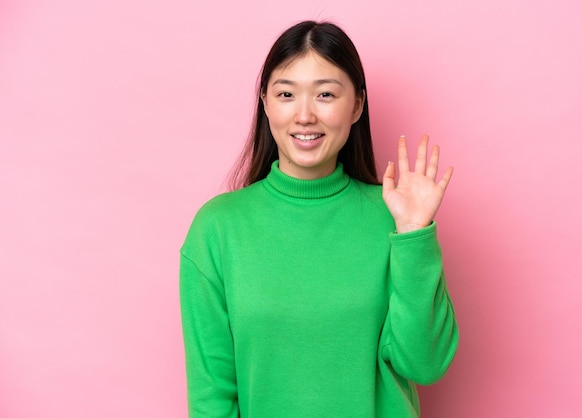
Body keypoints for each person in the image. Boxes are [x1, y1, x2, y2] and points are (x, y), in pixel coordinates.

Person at [180, 20, 459, 418]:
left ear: (357, 105)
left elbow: (426, 364)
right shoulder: (218, 229)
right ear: (265, 102)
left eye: (326, 93)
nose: (305, 115)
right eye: (286, 94)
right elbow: (211, 398)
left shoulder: (394, 217)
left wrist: (414, 235)